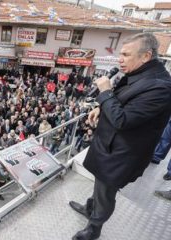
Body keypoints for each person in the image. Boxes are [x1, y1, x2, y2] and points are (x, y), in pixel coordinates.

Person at [69, 33, 171, 240]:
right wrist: (101, 106)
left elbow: (123, 120)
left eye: (125, 54)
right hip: (110, 146)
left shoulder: (160, 87)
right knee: (99, 184)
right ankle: (90, 209)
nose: (120, 59)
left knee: (106, 192)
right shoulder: (140, 73)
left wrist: (105, 92)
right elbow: (125, 99)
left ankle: (94, 228)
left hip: (123, 153)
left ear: (145, 56)